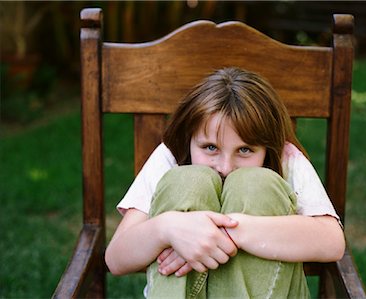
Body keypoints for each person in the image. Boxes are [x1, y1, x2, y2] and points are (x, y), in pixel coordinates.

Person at [105, 67, 345, 298]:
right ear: (189, 137)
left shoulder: (285, 159)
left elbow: (332, 241)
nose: (225, 167)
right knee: (189, 181)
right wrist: (168, 228)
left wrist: (229, 231)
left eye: (244, 150)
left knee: (255, 184)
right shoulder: (171, 156)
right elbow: (116, 258)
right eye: (210, 147)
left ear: (268, 147)